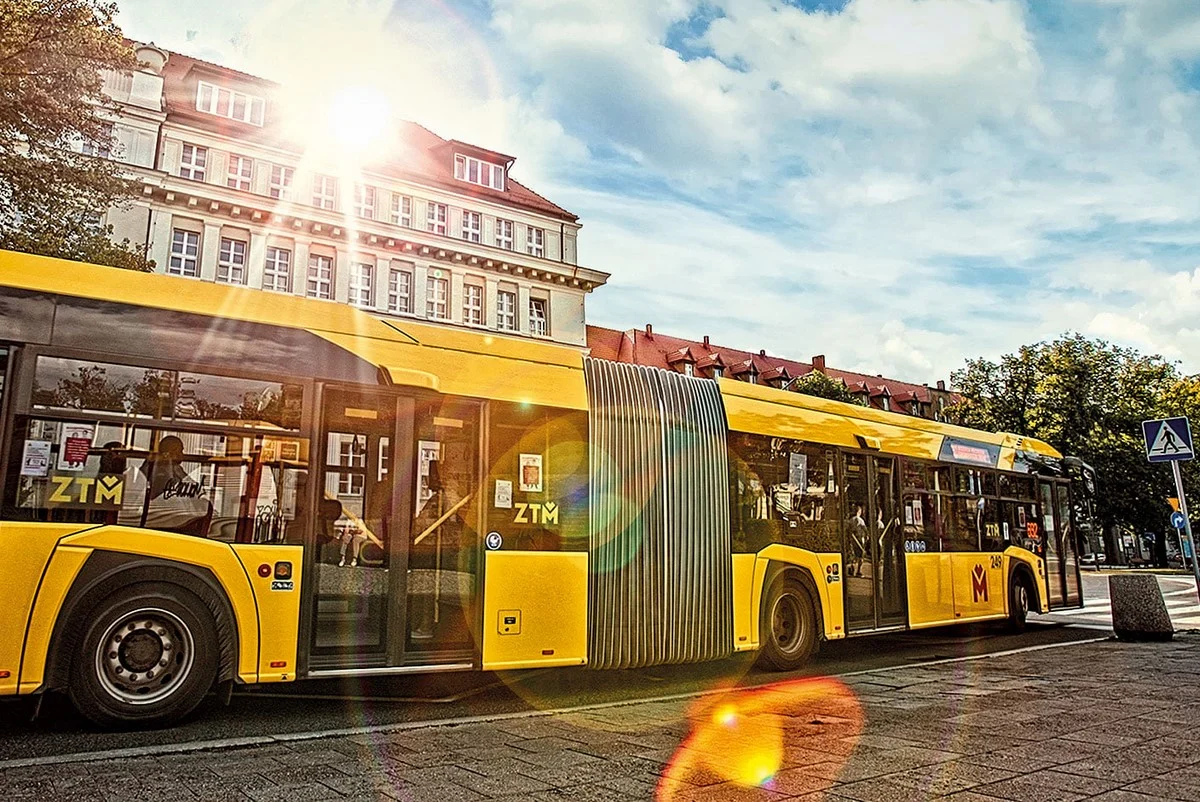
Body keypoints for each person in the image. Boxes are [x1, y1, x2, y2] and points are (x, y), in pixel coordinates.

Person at [118, 435, 212, 536]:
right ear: (170, 453)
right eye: (180, 451)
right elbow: (161, 494)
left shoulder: (175, 469)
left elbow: (193, 488)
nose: (182, 455)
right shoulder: (158, 469)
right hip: (161, 522)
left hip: (172, 520)